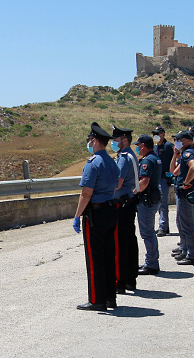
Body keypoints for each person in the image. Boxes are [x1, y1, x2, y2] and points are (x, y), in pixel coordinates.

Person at [72, 123, 119, 311]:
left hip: (96, 214)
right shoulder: (111, 162)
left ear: (95, 141)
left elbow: (86, 194)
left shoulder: (93, 163)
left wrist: (77, 215)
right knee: (108, 256)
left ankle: (96, 299)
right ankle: (109, 297)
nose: (89, 143)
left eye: (90, 140)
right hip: (110, 209)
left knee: (94, 258)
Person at [110, 125, 139, 294]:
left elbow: (117, 183)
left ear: (124, 140)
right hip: (129, 201)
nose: (114, 142)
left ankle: (120, 281)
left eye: (116, 140)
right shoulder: (130, 155)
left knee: (120, 244)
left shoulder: (123, 157)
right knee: (129, 241)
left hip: (122, 203)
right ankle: (130, 279)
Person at [133, 135, 162, 275]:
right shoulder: (155, 158)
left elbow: (144, 182)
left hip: (146, 200)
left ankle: (151, 264)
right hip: (153, 198)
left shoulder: (147, 160)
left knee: (147, 233)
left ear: (143, 145)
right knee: (149, 231)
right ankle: (152, 261)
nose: (138, 148)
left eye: (138, 145)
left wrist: (132, 193)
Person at [169, 130, 194, 265]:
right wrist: (175, 156)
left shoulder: (189, 153)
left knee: (188, 225)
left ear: (189, 141)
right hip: (181, 194)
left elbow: (193, 168)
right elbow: (173, 172)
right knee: (183, 223)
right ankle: (185, 249)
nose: (177, 142)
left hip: (186, 193)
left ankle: (191, 254)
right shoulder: (184, 154)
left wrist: (186, 182)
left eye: (180, 139)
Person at [152, 126, 174, 237]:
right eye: (154, 133)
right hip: (157, 179)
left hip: (164, 179)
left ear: (163, 134)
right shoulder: (155, 147)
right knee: (159, 204)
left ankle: (163, 227)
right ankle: (164, 226)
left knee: (163, 204)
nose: (156, 135)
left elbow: (175, 161)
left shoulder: (168, 146)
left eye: (158, 133)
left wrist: (170, 176)